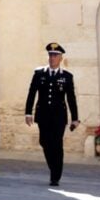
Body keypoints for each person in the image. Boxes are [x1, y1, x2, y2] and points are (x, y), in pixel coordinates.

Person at [24, 42, 79, 186]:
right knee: (44, 142)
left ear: (61, 58)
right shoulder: (39, 74)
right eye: (50, 55)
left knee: (57, 144)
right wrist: (28, 112)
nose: (52, 58)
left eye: (55, 55)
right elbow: (32, 93)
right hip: (43, 114)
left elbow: (71, 98)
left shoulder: (67, 76)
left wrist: (75, 118)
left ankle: (55, 175)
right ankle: (53, 167)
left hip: (59, 116)